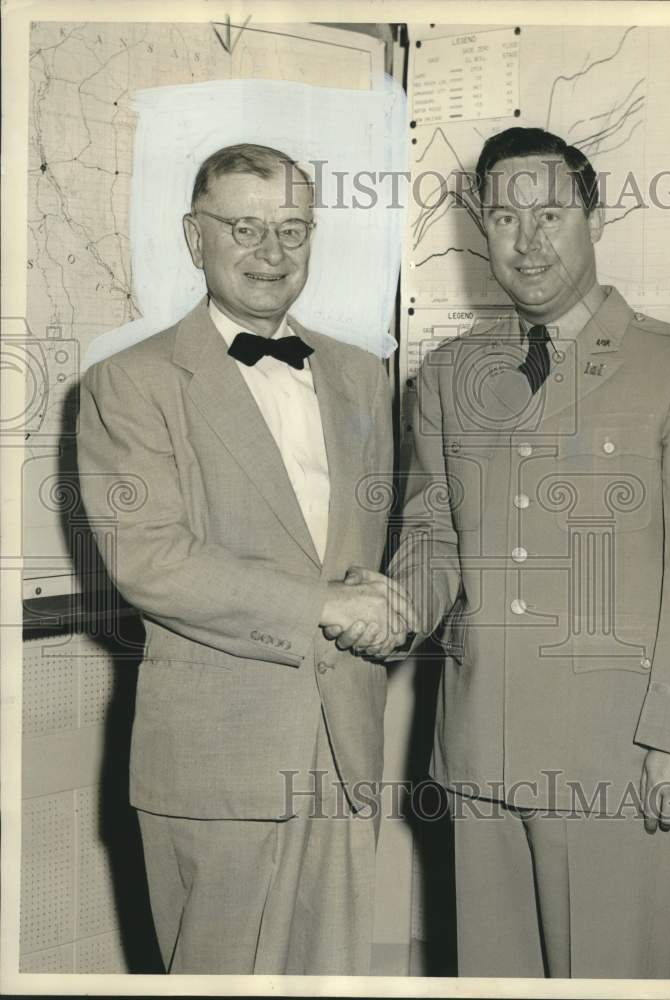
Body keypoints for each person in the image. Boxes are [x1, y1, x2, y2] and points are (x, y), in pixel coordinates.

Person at [333, 127, 670, 979]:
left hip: (618, 760)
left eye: (550, 212)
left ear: (592, 217)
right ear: (480, 230)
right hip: (480, 750)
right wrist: (400, 606)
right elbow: (433, 530)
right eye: (503, 217)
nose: (526, 241)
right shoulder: (451, 376)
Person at [77, 143, 414, 975]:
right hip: (219, 763)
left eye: (293, 229)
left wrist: (389, 605)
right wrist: (327, 606)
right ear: (196, 238)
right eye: (245, 227)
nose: (272, 252)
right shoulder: (131, 382)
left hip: (347, 752)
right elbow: (150, 558)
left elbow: (368, 542)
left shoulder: (363, 376)